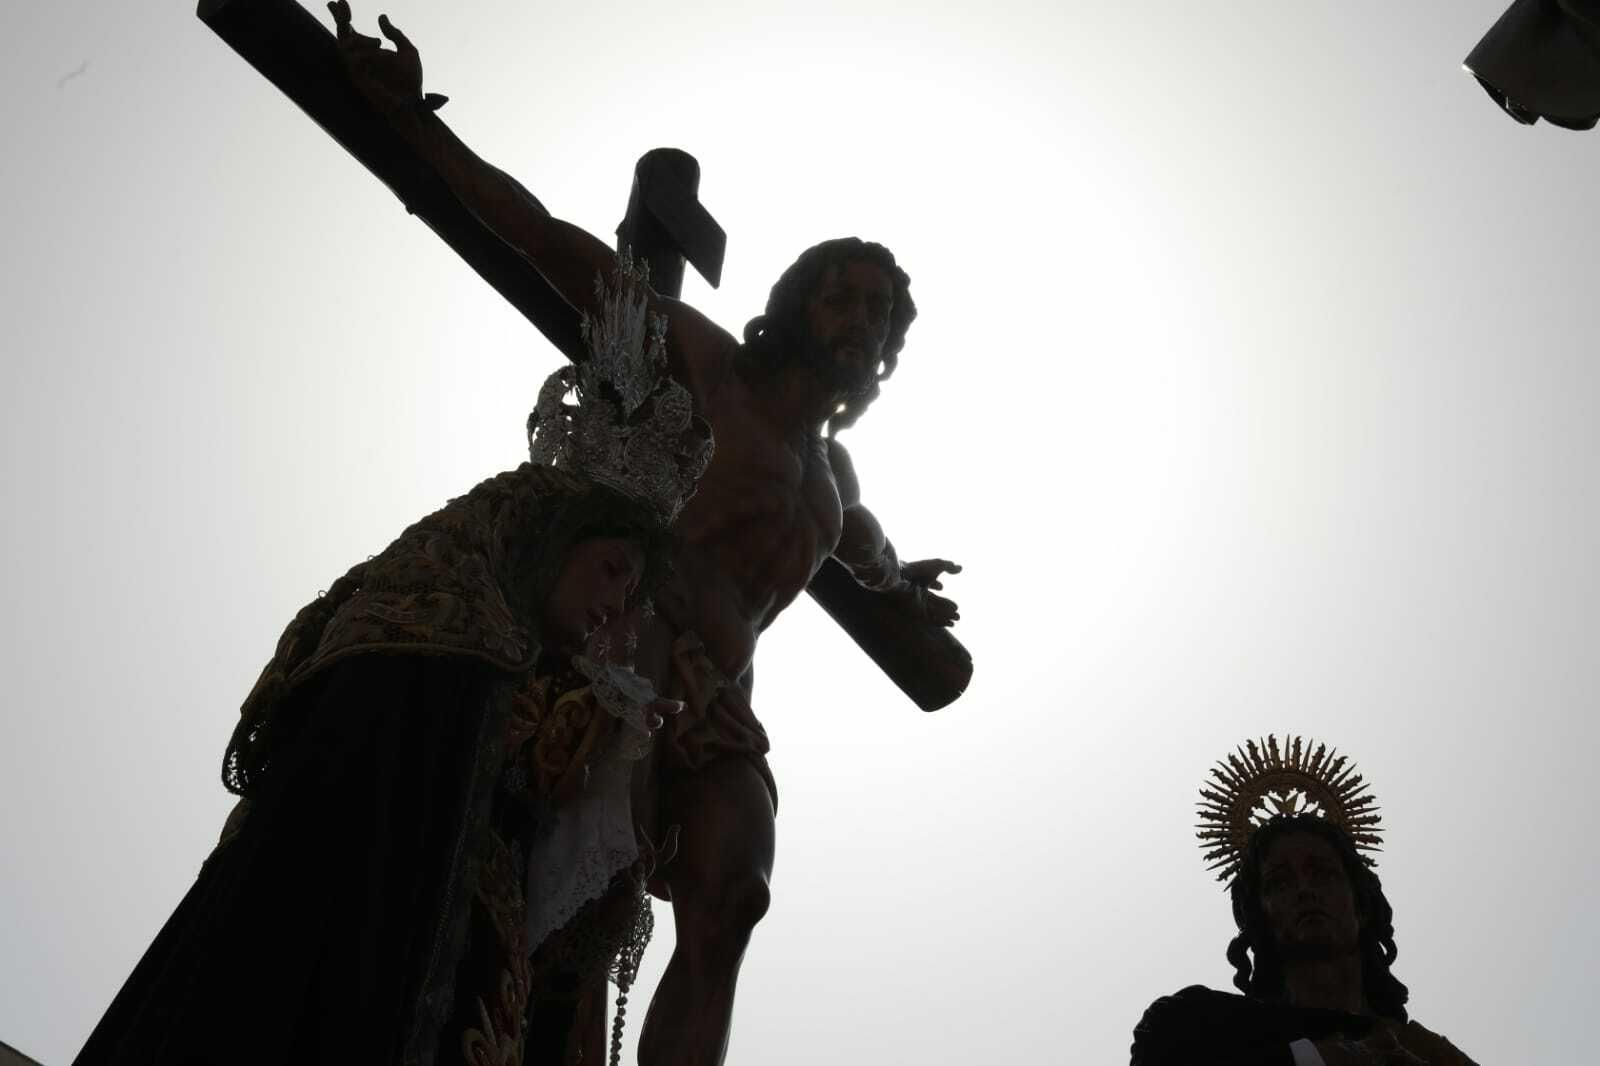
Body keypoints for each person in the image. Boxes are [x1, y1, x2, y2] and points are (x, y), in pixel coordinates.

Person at [328, 7, 966, 1063]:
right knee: (578, 920)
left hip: (720, 710)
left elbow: (874, 559)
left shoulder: (837, 488)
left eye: (879, 314)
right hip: (622, 657)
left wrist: (902, 588)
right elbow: (539, 238)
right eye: (842, 297)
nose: (860, 321)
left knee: (733, 896)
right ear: (797, 303)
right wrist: (418, 128)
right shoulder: (704, 361)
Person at [75, 260, 705, 1066]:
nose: (617, 609)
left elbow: (560, 891)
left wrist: (616, 794)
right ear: (547, 538)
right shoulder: (424, 631)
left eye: (632, 593)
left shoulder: (560, 683)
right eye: (614, 569)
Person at [1130, 736, 1480, 1066]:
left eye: (1323, 873)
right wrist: (1315, 1059)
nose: (1304, 890)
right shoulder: (1195, 1025)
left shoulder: (1427, 1053)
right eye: (1279, 883)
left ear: (1359, 906)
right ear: (1261, 917)